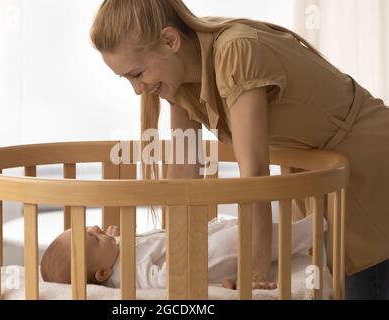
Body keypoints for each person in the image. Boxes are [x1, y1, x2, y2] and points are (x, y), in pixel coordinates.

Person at [89, 0, 389, 298]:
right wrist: (175, 257)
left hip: (367, 164)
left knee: (367, 286)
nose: (137, 89)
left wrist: (255, 269)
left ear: (170, 40)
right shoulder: (176, 80)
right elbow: (184, 170)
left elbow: (254, 173)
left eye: (137, 74)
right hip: (319, 177)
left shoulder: (235, 53)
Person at [40, 217, 318, 289]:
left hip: (198, 239)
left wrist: (110, 240)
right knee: (242, 241)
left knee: (248, 230)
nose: (96, 226)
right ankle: (314, 231)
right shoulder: (127, 276)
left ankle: (303, 234)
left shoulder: (112, 257)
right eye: (94, 238)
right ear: (103, 274)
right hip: (203, 259)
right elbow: (161, 282)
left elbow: (140, 247)